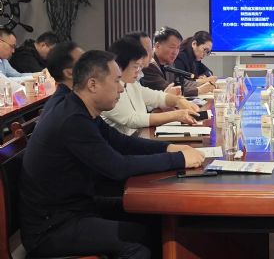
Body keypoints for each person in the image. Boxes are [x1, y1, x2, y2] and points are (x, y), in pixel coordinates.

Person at [19, 50, 205, 258]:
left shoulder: (80, 108)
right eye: (116, 81)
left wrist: (169, 148)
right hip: (51, 227)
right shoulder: (72, 119)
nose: (121, 88)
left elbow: (121, 142)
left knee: (155, 218)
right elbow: (118, 167)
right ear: (92, 84)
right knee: (137, 243)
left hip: (78, 207)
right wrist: (178, 159)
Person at [102, 37, 201, 136]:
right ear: (119, 65)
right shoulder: (109, 89)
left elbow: (155, 97)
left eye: (140, 66)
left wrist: (178, 100)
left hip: (140, 137)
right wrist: (175, 115)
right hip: (126, 142)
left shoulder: (131, 83)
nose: (138, 71)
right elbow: (132, 120)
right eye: (136, 66)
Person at [142, 26, 214, 97]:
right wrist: (199, 90)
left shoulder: (169, 63)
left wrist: (204, 84)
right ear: (157, 46)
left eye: (178, 48)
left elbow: (179, 82)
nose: (175, 52)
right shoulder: (148, 65)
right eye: (172, 47)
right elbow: (169, 90)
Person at [40, 41, 85, 119]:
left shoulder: (74, 95)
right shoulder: (70, 108)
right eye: (84, 61)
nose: (92, 64)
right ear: (69, 73)